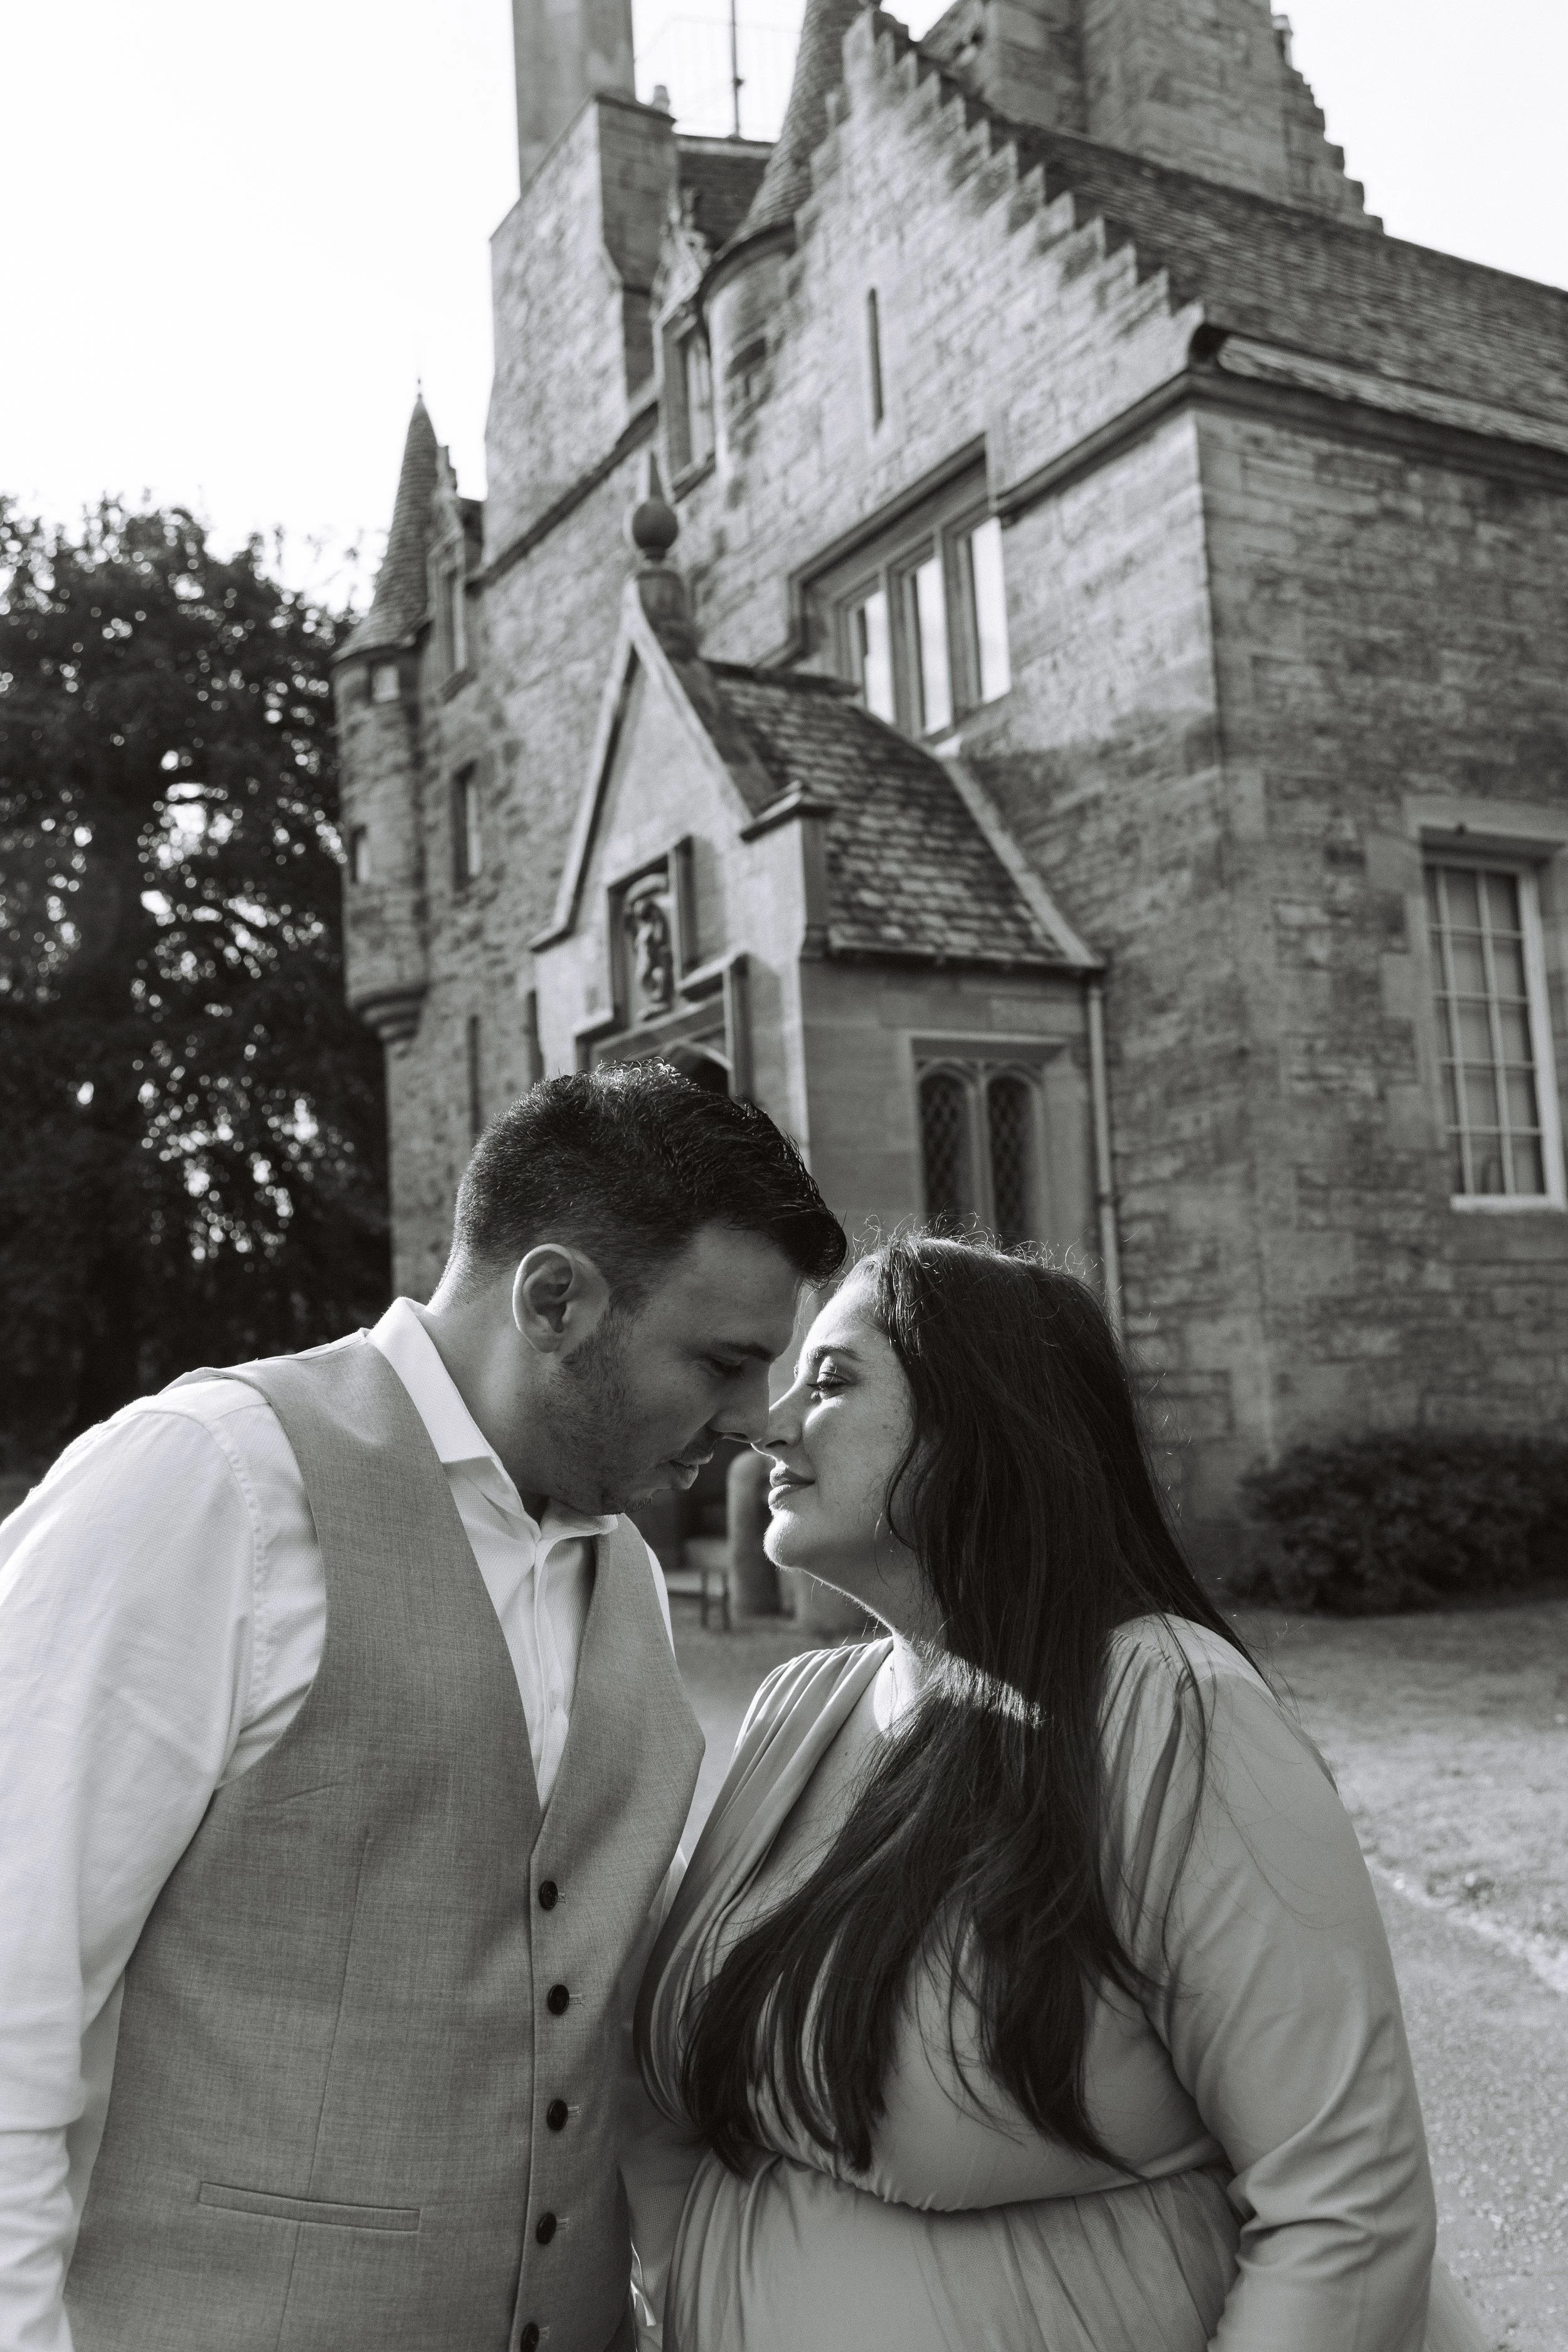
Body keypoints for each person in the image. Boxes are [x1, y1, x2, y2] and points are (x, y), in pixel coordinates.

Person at [0, 1063, 845, 2352]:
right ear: (553, 1297)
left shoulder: (622, 1566)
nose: (750, 1419)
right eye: (723, 1361)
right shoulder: (210, 1481)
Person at [632, 1232, 1488, 2351]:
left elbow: (1347, 2206)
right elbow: (672, 2103)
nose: (768, 1420)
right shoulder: (800, 1705)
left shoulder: (1176, 1710)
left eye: (832, 1379)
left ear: (986, 1421)